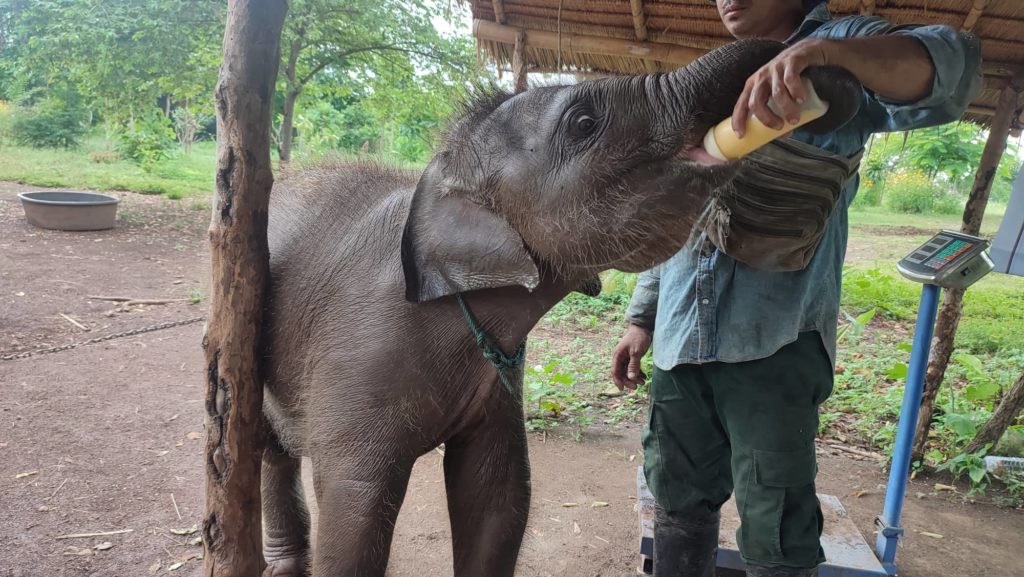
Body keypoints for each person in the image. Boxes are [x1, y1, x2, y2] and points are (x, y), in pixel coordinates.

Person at [610, 1, 982, 576]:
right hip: (682, 335)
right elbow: (679, 208)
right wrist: (643, 316)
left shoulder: (843, 43)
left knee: (776, 523)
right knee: (676, 500)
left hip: (775, 341)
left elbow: (951, 72)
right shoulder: (718, 72)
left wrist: (829, 54)